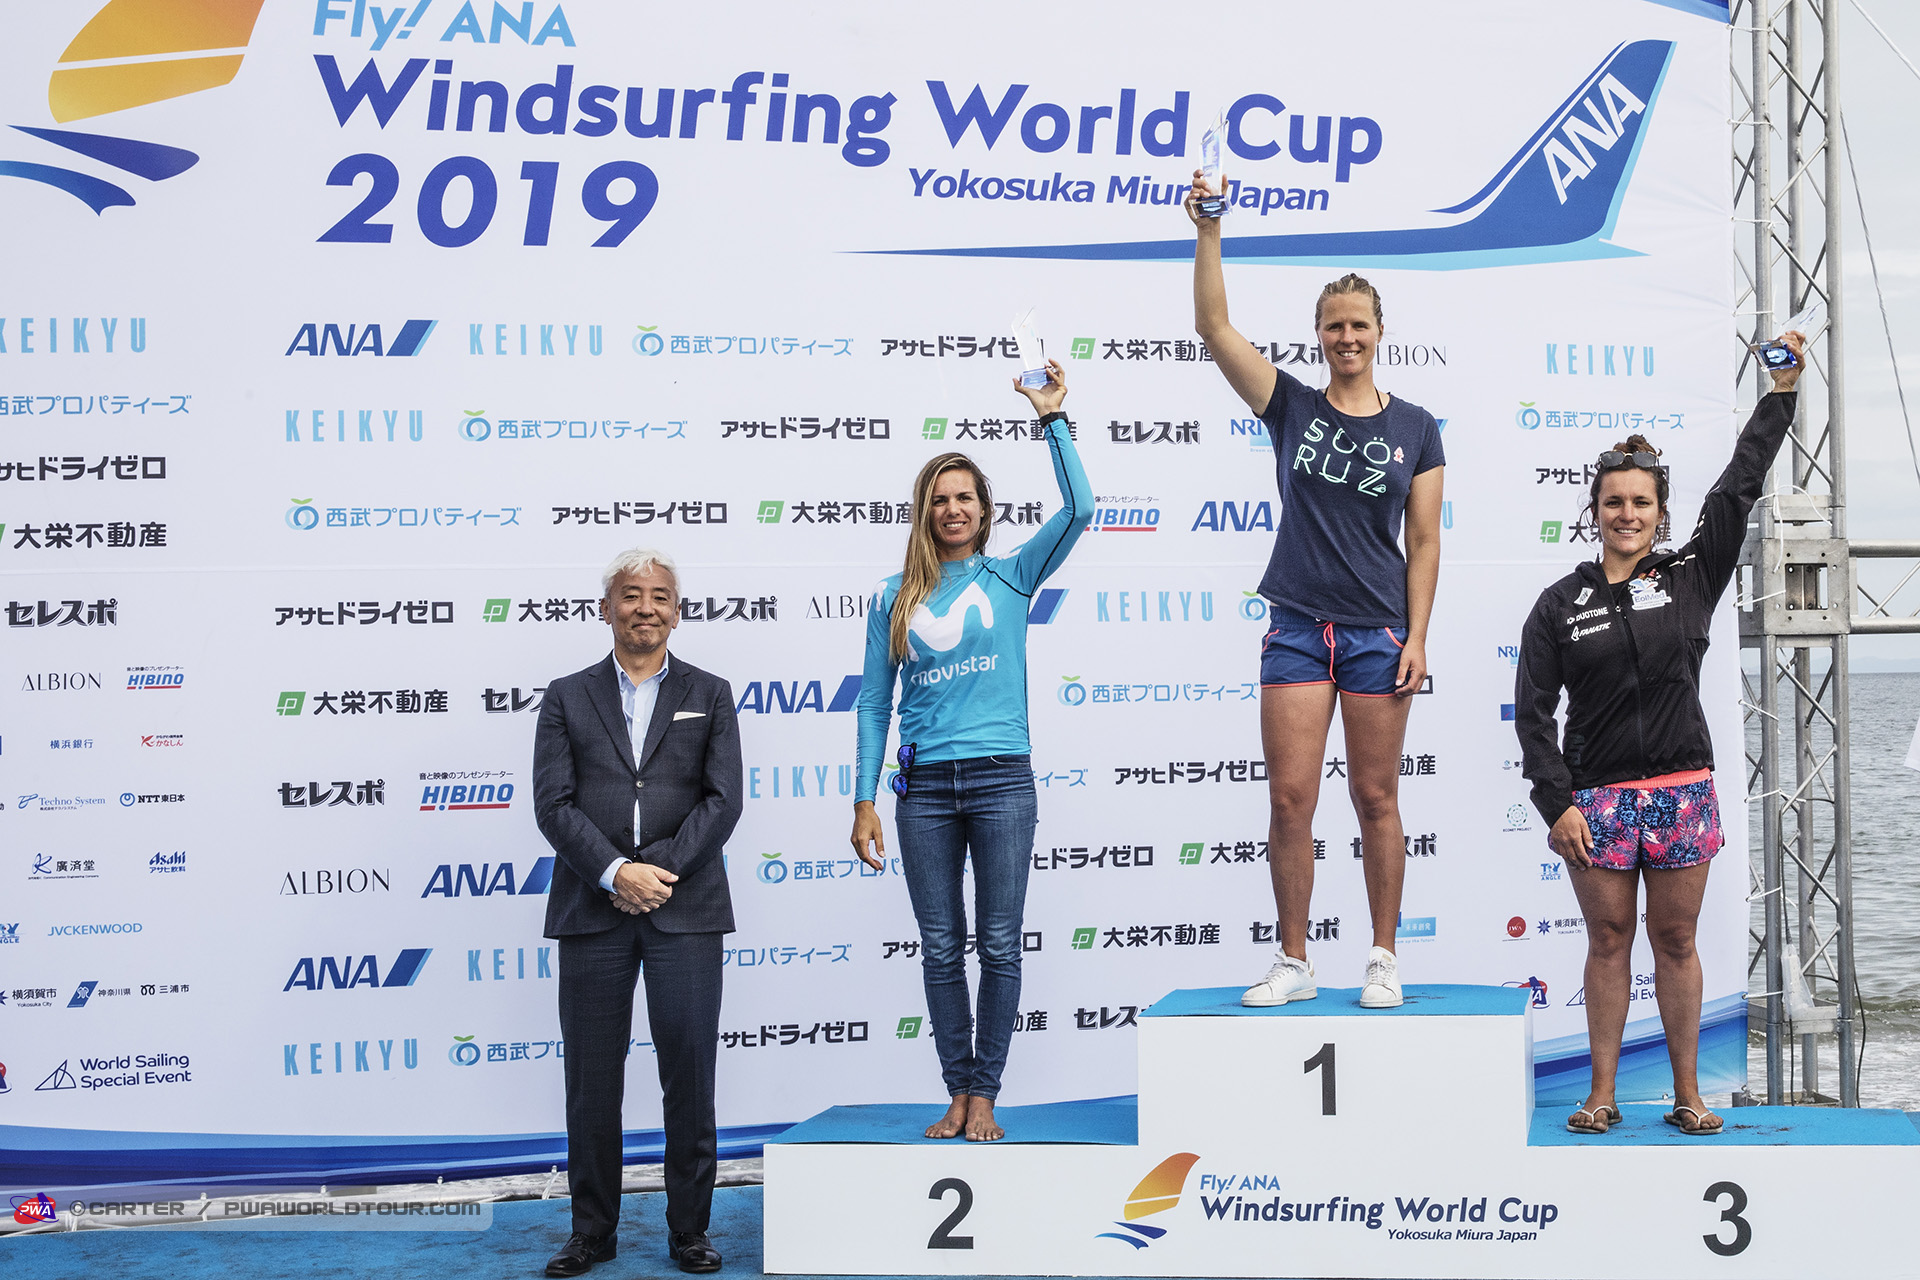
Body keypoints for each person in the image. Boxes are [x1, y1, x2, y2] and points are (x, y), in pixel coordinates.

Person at [1515, 332, 1804, 1136]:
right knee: (1608, 941)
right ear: (1595, 512)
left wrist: (1780, 397)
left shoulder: (1690, 576)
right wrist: (1556, 806)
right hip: (1597, 801)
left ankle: (1690, 1096)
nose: (1628, 514)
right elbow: (1534, 714)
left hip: (1681, 791)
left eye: (1641, 503)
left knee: (1675, 941)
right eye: (1615, 503)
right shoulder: (1557, 603)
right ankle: (1601, 1095)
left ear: (1660, 513)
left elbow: (1737, 490)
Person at [1185, 173, 1445, 1010]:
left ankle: (1382, 956)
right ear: (1318, 335)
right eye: (1333, 326)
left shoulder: (1416, 429)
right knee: (1292, 799)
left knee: (1376, 796)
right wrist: (1210, 231)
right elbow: (1213, 326)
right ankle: (1293, 961)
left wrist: (1417, 635)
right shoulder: (1290, 405)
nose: (1346, 337)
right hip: (1298, 627)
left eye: (1358, 325)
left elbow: (1425, 540)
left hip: (1377, 632)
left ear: (1380, 333)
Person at [850, 359, 1092, 1142]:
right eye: (939, 499)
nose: (952, 509)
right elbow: (873, 703)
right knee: (941, 946)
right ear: (922, 512)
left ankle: (986, 1091)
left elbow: (1083, 507)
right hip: (921, 792)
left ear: (985, 510)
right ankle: (956, 1089)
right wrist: (863, 799)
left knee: (997, 943)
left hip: (1001, 785)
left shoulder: (1015, 575)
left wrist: (1051, 417)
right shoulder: (894, 595)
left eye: (964, 497)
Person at [533, 548, 743, 1276]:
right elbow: (552, 804)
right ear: (606, 608)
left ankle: (690, 1231)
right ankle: (592, 1231)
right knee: (592, 1079)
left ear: (676, 611)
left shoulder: (710, 693)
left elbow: (724, 800)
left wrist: (662, 871)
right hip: (593, 908)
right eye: (630, 595)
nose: (644, 607)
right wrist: (616, 871)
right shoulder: (565, 695)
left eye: (659, 596)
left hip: (685, 908)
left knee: (689, 1072)